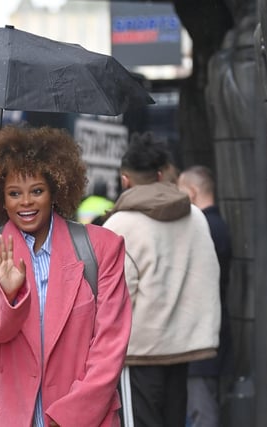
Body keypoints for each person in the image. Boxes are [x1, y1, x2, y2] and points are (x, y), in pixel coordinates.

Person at [0, 125, 132, 426]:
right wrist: (6, 295)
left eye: (36, 190)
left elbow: (110, 343)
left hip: (82, 415)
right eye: (14, 193)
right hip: (7, 415)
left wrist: (72, 413)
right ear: (1, 197)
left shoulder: (101, 247)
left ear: (55, 190)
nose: (25, 202)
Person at [102, 132, 221, 427]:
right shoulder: (194, 215)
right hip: (182, 348)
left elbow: (117, 295)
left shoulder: (121, 223)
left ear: (125, 180)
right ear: (159, 174)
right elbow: (207, 273)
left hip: (138, 351)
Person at [178, 165, 233, 427]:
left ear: (191, 192)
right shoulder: (216, 226)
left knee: (202, 412)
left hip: (201, 339)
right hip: (209, 335)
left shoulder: (204, 229)